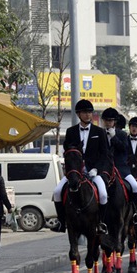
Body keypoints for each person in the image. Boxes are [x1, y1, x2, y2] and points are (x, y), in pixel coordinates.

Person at [51, 99, 111, 235]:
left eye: (90, 112)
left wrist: (97, 169)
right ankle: (61, 222)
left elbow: (104, 155)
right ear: (78, 114)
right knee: (56, 191)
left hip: (93, 171)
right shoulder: (71, 132)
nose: (88, 115)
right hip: (74, 171)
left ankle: (101, 223)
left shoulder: (99, 131)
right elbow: (67, 153)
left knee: (103, 194)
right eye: (84, 112)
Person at [102, 108, 137, 224]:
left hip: (121, 168)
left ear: (114, 121)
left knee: (135, 186)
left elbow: (124, 148)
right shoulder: (100, 133)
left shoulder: (122, 134)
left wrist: (114, 137)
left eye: (110, 121)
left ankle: (136, 213)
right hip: (105, 168)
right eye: (106, 120)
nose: (108, 123)